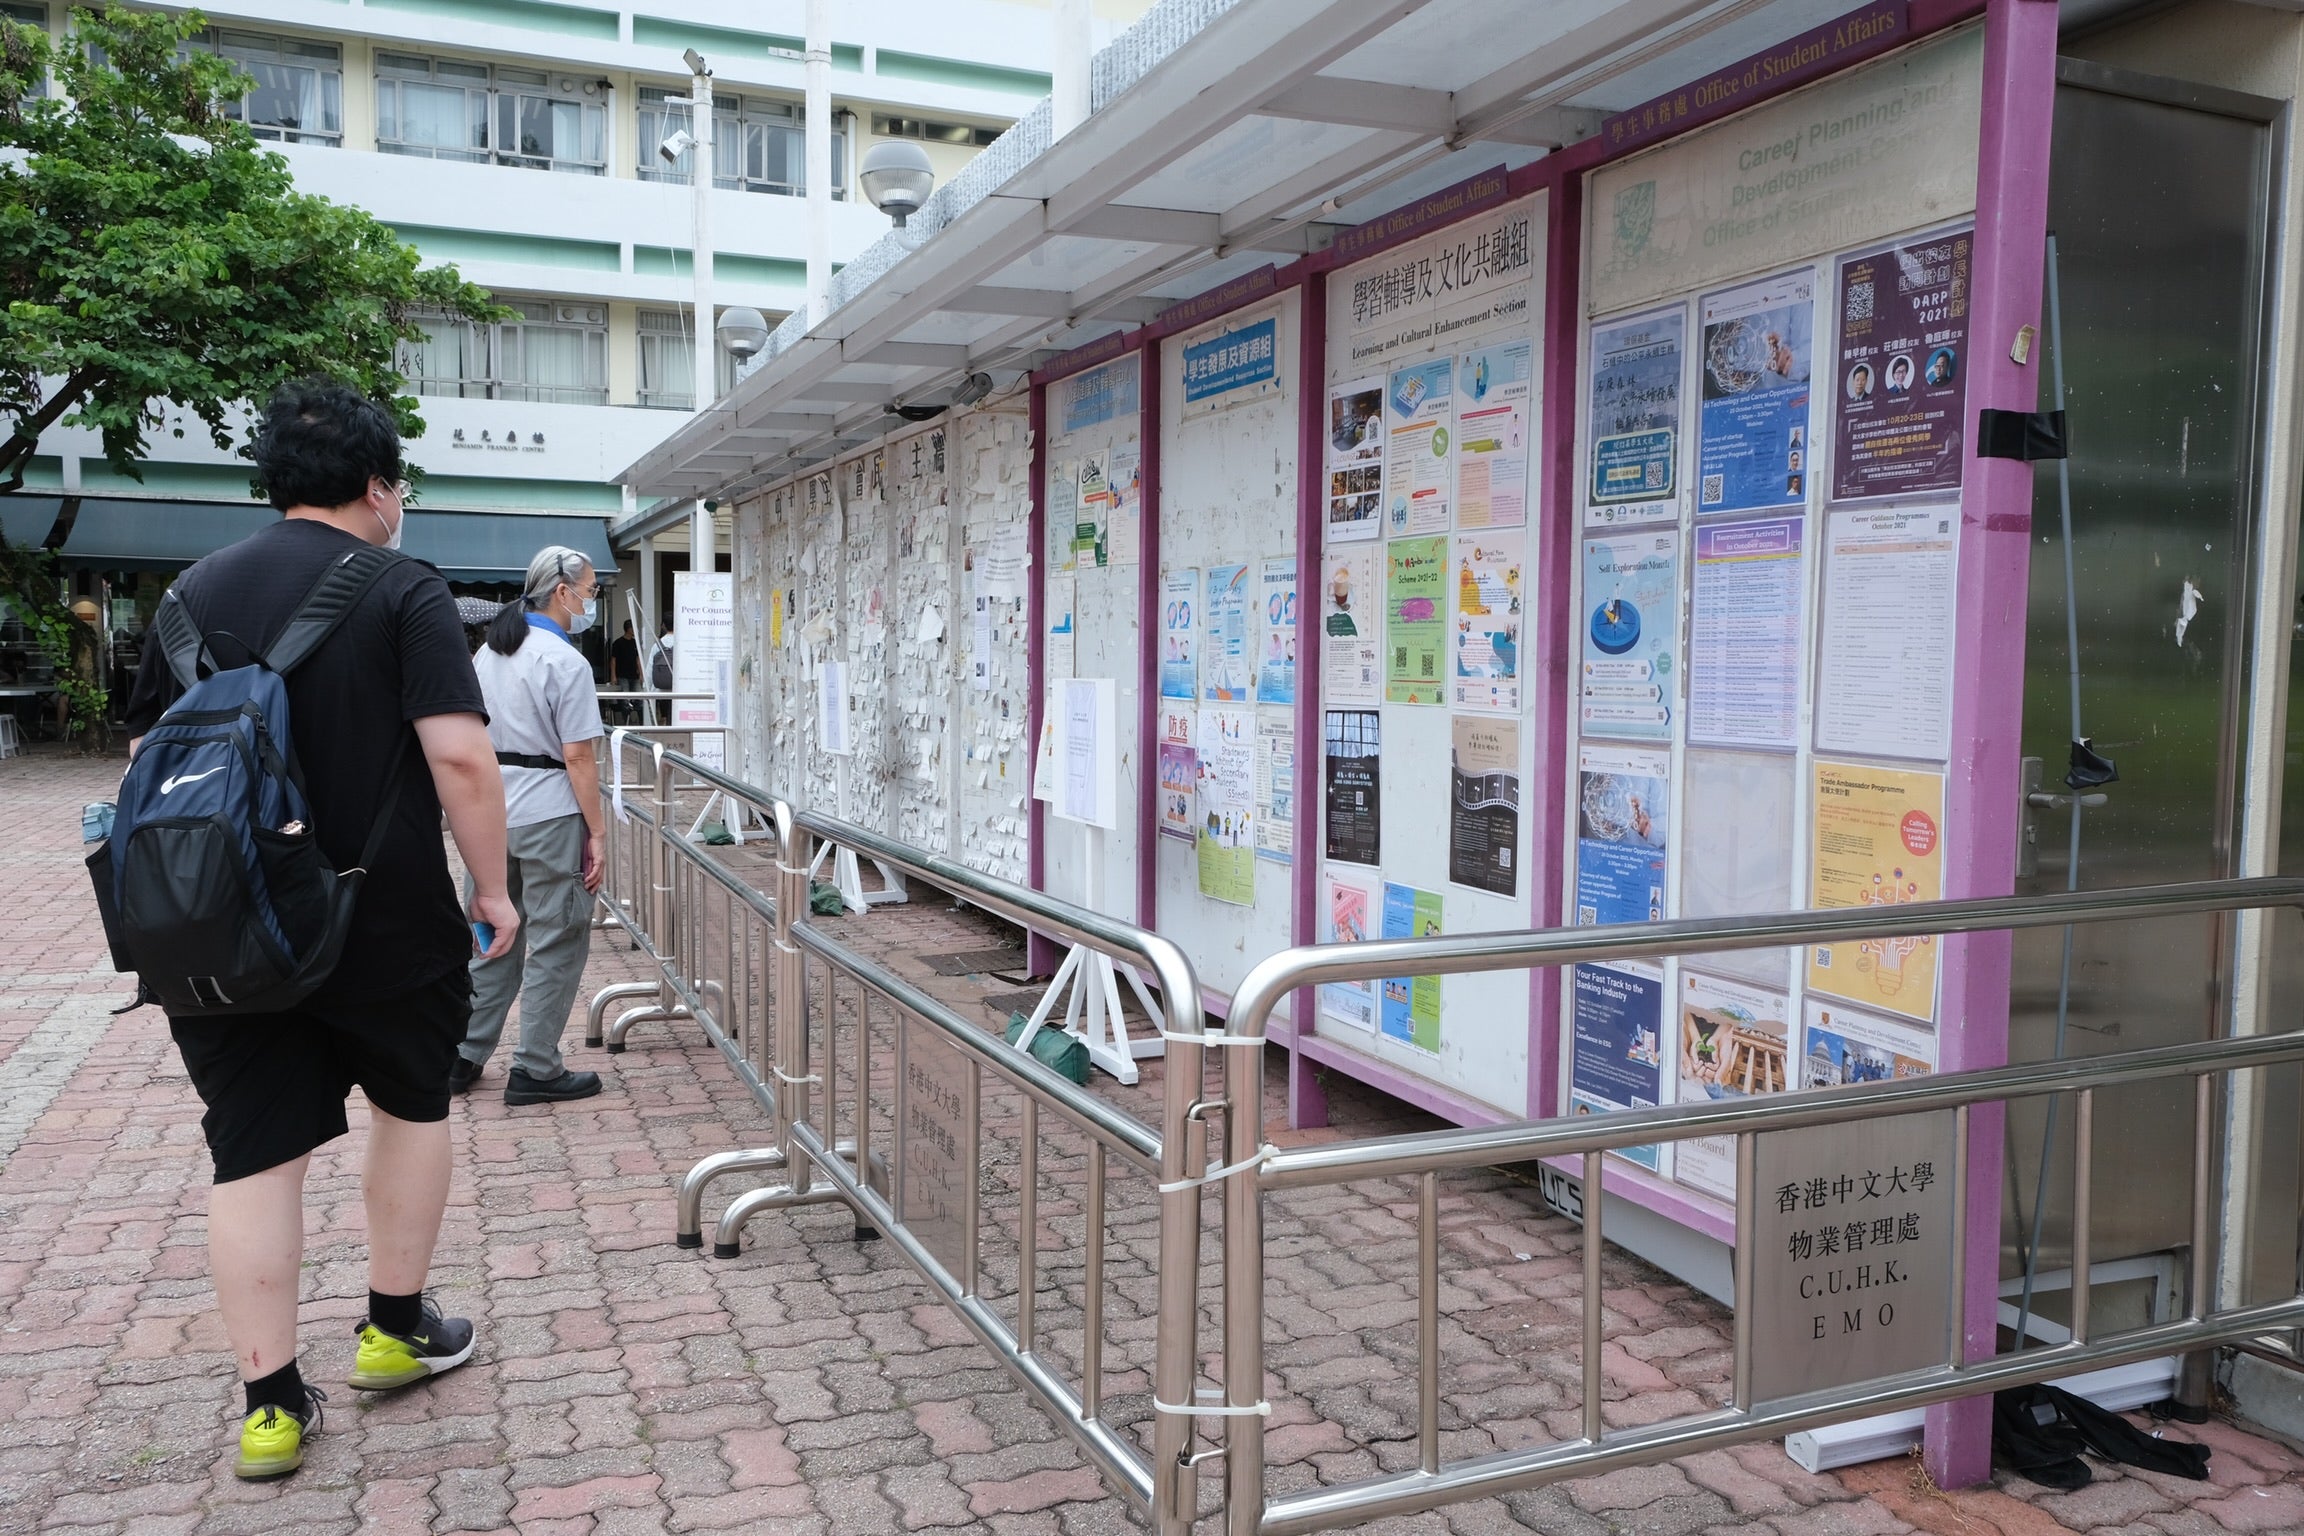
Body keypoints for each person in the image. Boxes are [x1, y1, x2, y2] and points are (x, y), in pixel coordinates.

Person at [121, 379, 519, 1481]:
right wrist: (493, 891)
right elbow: (458, 757)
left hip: (221, 932)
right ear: (380, 486)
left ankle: (270, 1406)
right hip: (382, 920)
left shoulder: (188, 596)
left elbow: (151, 767)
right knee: (410, 1102)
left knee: (253, 1153)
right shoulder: (404, 587)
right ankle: (394, 1332)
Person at [454, 547, 607, 1106]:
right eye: (589, 591)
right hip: (549, 811)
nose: (590, 602)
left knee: (492, 936)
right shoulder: (565, 662)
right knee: (556, 938)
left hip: (490, 811)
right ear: (562, 592)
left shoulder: (490, 654)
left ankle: (463, 1054)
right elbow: (579, 758)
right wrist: (599, 832)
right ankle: (537, 1066)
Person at [608, 618, 642, 721]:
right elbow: (613, 660)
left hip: (634, 675)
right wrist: (613, 676)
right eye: (633, 628)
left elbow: (638, 659)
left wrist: (641, 673)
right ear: (628, 629)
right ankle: (626, 722)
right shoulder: (618, 643)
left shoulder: (635, 643)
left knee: (639, 700)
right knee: (625, 701)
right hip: (622, 675)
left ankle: (640, 723)